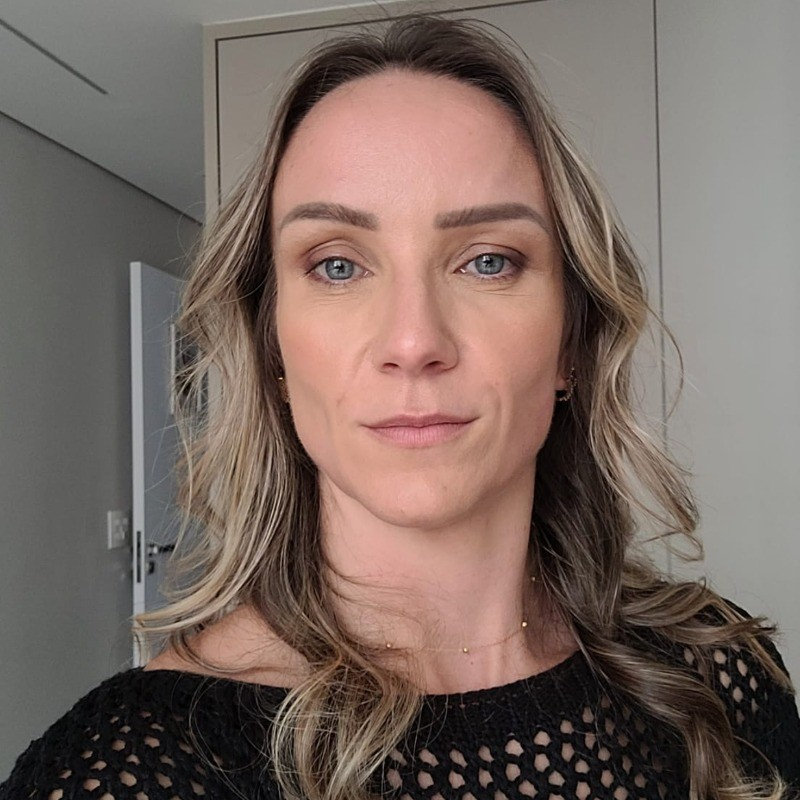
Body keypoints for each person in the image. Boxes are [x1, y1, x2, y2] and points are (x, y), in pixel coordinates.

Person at [2, 14, 798, 800]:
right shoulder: (129, 769)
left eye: (488, 261)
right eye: (338, 266)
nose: (414, 341)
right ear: (273, 352)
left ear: (572, 342)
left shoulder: (720, 680)